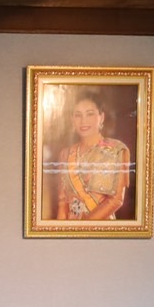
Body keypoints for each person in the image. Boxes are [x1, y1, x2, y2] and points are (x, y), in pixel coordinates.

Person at [54, 92, 131, 222]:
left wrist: (85, 226)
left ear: (101, 117)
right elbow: (62, 203)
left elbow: (116, 200)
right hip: (71, 227)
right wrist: (60, 230)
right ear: (72, 119)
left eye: (90, 114)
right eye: (78, 115)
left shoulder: (115, 150)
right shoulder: (65, 154)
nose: (83, 121)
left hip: (102, 228)